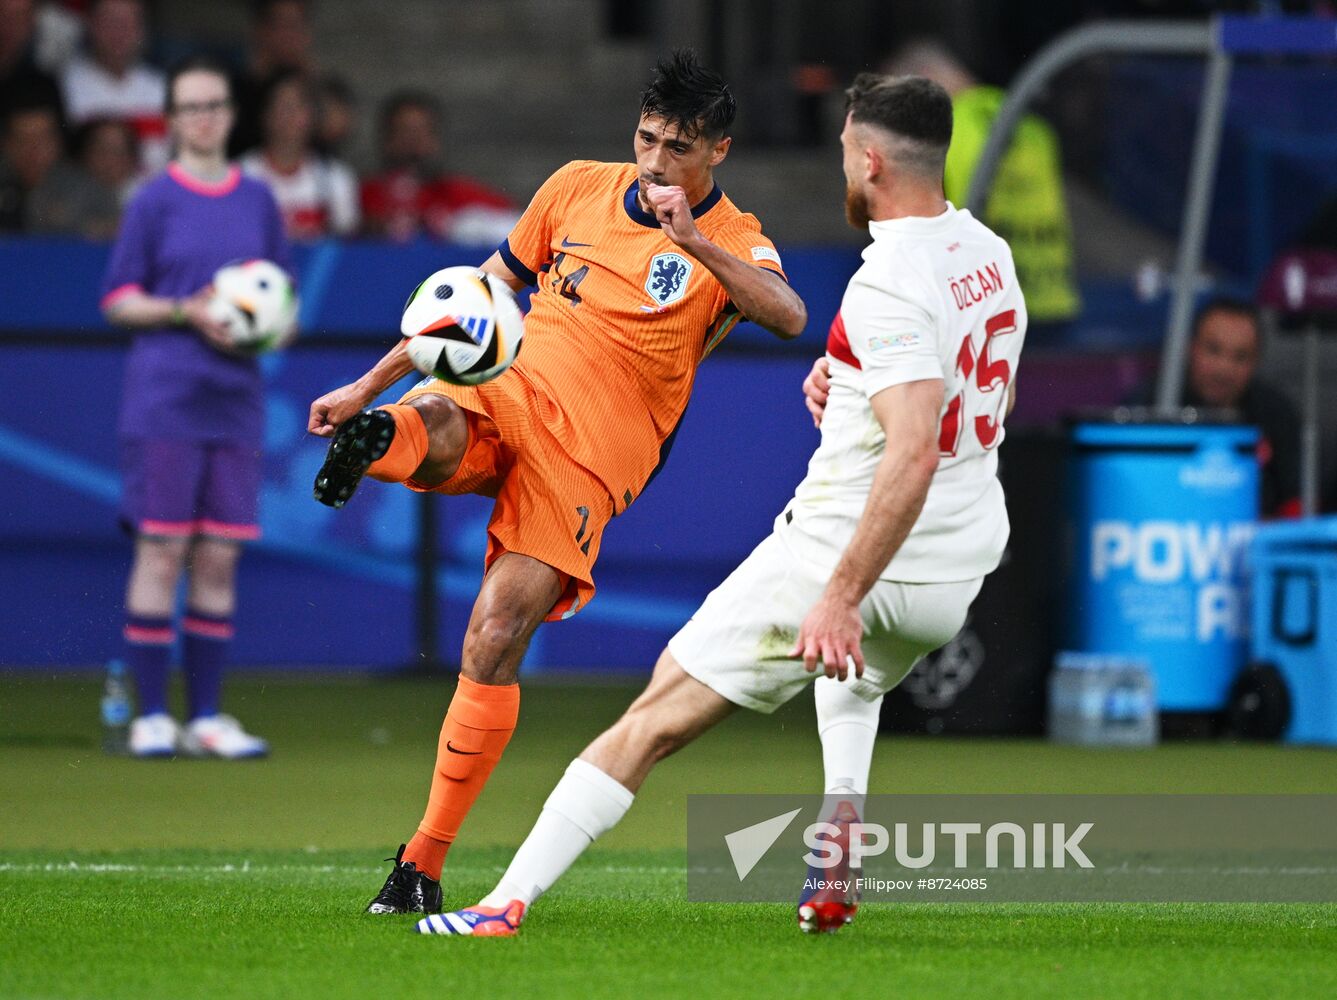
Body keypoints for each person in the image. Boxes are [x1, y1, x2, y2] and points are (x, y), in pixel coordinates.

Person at [414, 72, 1026, 938]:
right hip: (954, 570)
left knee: (651, 718)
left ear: (871, 159)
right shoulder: (987, 255)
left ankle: (500, 905)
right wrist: (846, 378)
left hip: (843, 553)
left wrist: (841, 593)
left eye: (847, 150)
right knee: (853, 679)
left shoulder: (885, 279)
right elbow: (962, 380)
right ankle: (839, 832)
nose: (841, 165)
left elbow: (916, 440)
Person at [306, 50, 806, 915]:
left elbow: (790, 315)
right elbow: (469, 305)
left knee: (495, 632)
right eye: (647, 138)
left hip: (597, 451)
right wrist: (364, 384)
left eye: (678, 148)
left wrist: (690, 240)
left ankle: (422, 858)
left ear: (716, 152)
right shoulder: (574, 185)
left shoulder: (732, 237)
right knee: (448, 411)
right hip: (516, 381)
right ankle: (381, 436)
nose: (654, 162)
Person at [100, 55, 292, 759]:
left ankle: (207, 717)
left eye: (214, 104)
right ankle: (152, 716)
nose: (204, 117)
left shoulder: (258, 200)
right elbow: (118, 298)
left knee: (217, 558)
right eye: (190, 107)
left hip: (236, 401)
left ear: (230, 114)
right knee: (161, 548)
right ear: (172, 119)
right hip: (166, 399)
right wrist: (186, 310)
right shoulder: (152, 200)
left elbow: (284, 298)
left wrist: (265, 323)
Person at [885, 40, 1078, 334]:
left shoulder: (937, 128)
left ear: (923, 79)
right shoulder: (1029, 123)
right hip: (1051, 304)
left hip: (980, 314)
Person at [1128, 297, 1301, 518]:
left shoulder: (1277, 413)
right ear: (1190, 348)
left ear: (1256, 362)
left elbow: (1297, 505)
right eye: (1213, 350)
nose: (1224, 369)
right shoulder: (1152, 406)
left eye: (1240, 357)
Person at [359, 90, 517, 244]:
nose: (414, 142)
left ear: (436, 140)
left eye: (422, 132)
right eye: (405, 131)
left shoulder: (458, 193)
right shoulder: (364, 196)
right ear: (386, 138)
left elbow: (516, 223)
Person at [240, 69, 359, 239]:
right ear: (264, 114)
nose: (290, 116)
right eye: (282, 106)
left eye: (298, 106)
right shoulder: (241, 175)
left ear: (313, 116)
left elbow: (346, 243)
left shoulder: (336, 178)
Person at [60, 0, 168, 175]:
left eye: (129, 22)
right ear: (90, 23)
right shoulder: (64, 88)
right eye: (110, 21)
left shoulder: (163, 89)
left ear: (143, 29)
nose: (119, 32)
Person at [230, 0, 314, 158]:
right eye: (281, 25)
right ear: (260, 30)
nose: (289, 35)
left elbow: (334, 124)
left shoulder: (315, 86)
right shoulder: (235, 89)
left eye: (295, 25)